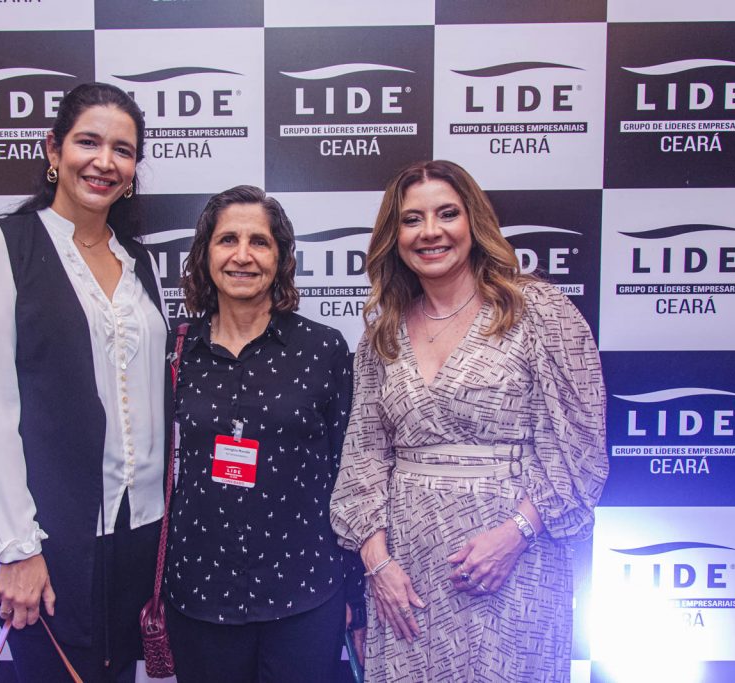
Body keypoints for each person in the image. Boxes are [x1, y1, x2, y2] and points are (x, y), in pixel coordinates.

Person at [330, 160, 608, 682]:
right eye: (412, 219)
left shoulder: (537, 311)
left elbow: (580, 446)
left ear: (473, 222)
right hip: (405, 570)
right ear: (394, 235)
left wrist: (517, 533)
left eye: (447, 214)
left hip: (516, 559)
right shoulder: (382, 335)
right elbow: (363, 456)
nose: (430, 231)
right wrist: (378, 563)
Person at [0, 82, 168, 683]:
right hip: (50, 537)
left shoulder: (139, 261)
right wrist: (17, 547)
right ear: (54, 149)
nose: (104, 162)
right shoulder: (0, 245)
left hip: (137, 533)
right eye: (88, 142)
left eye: (123, 150)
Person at [163, 185, 363, 683]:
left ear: (281, 257)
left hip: (304, 594)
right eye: (227, 240)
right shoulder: (176, 350)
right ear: (205, 254)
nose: (243, 255)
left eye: (259, 242)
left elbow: (351, 472)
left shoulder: (323, 349)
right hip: (200, 595)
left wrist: (356, 595)